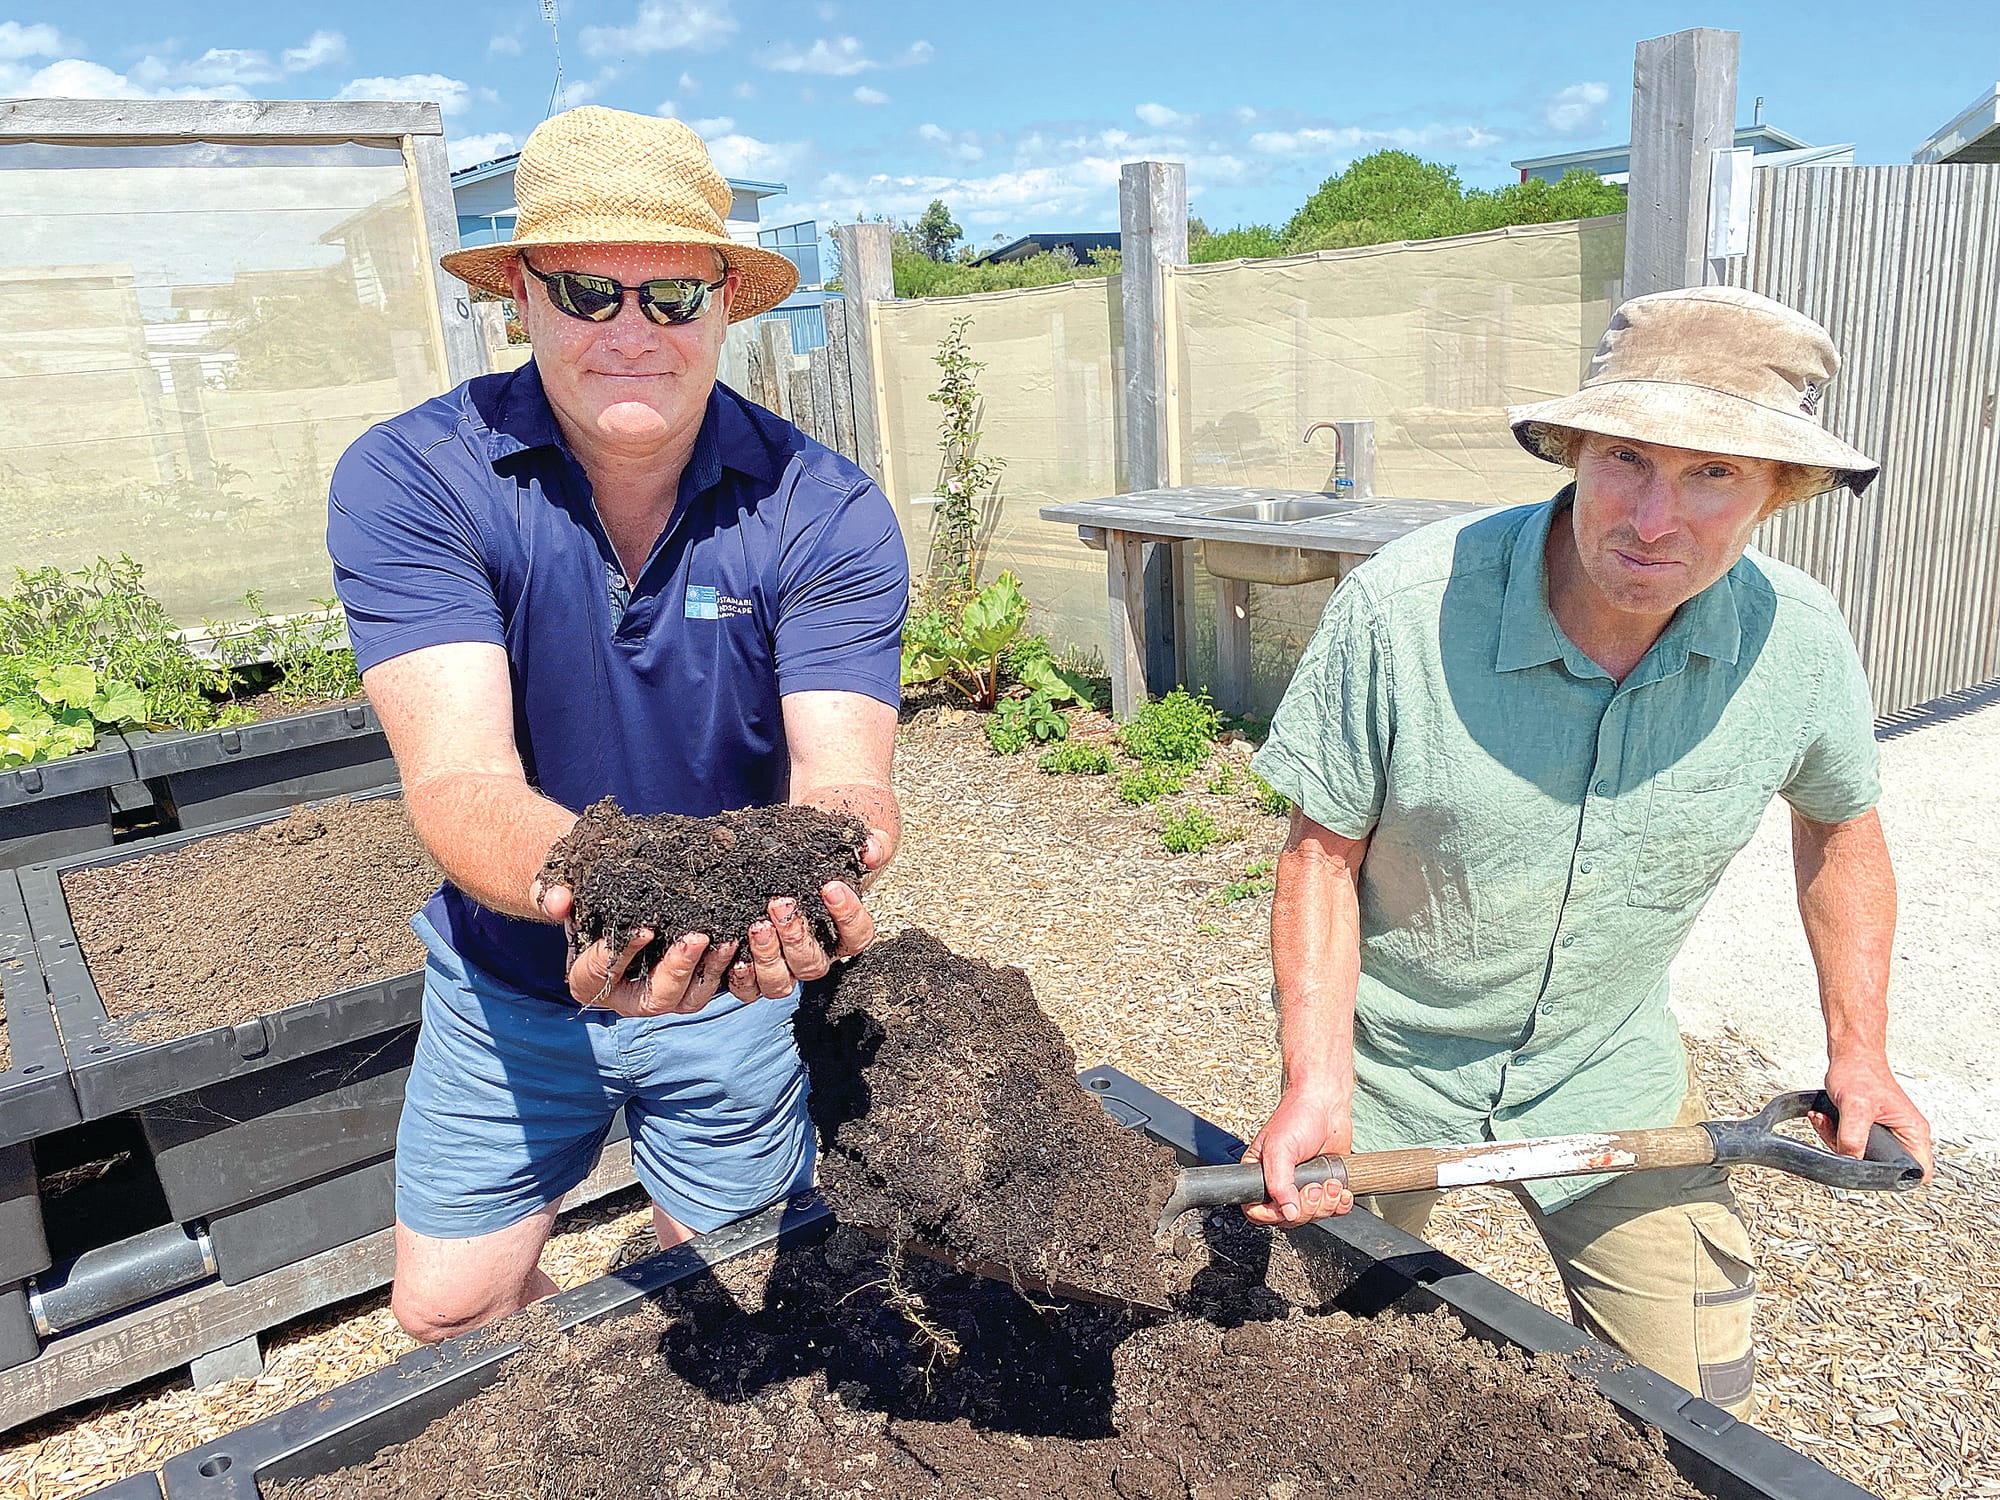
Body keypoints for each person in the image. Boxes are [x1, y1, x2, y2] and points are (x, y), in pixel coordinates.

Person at [1242, 285, 1934, 1417]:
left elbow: (1841, 827)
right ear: (1570, 450)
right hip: (1383, 1064)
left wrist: (1858, 1049)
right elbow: (1319, 856)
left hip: (1603, 1066)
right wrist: (1312, 1078)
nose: (1652, 517)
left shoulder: (1796, 644)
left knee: (1692, 1409)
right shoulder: (1402, 613)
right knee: (1302, 1368)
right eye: (1624, 459)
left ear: (1781, 489)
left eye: (1712, 473)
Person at [326, 107, 908, 1342]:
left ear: (726, 305)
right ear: (519, 296)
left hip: (730, 985)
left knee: (740, 1293)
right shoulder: (416, 477)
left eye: (673, 297)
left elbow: (845, 776)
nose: (630, 332)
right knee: (449, 1312)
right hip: (508, 984)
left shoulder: (824, 510)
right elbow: (459, 779)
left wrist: (831, 859)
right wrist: (606, 897)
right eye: (588, 292)